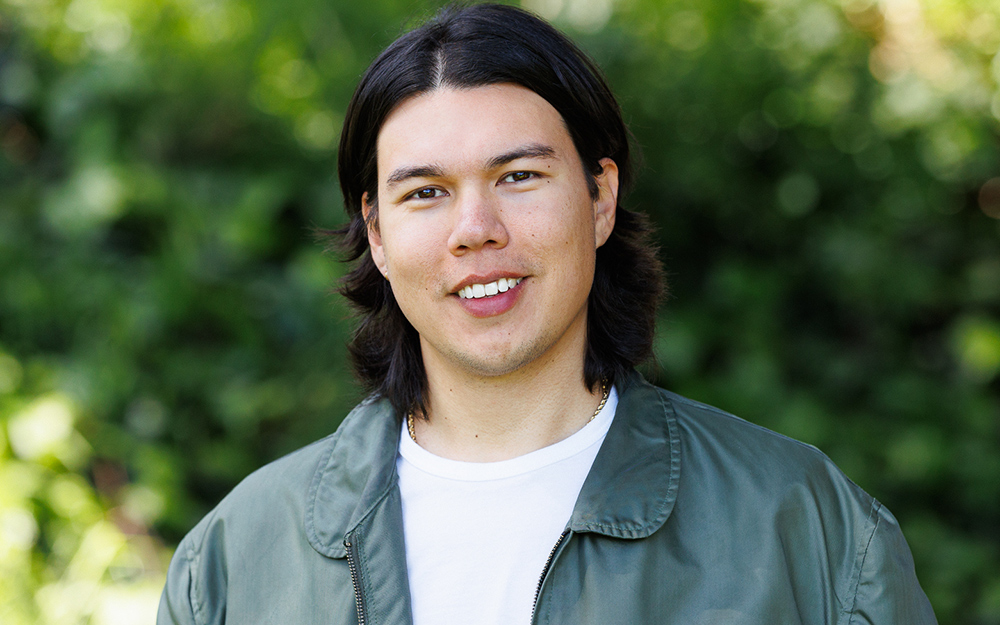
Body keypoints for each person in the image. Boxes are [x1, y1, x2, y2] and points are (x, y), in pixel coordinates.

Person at [157, 4, 937, 624]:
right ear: (377, 234)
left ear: (600, 197)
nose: (476, 228)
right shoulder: (237, 558)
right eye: (425, 192)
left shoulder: (803, 524)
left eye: (520, 175)